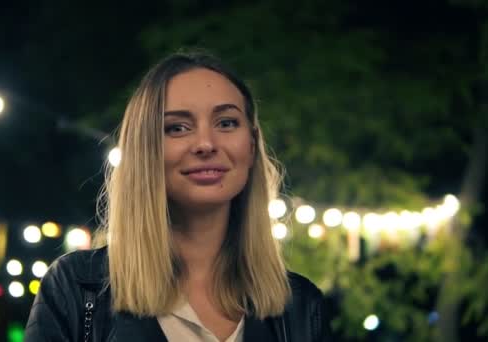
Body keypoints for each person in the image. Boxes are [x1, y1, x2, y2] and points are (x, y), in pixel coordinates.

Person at [24, 51, 330, 342]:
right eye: (177, 127)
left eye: (226, 123)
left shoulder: (301, 306)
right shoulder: (77, 287)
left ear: (250, 146)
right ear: (145, 151)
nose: (206, 144)